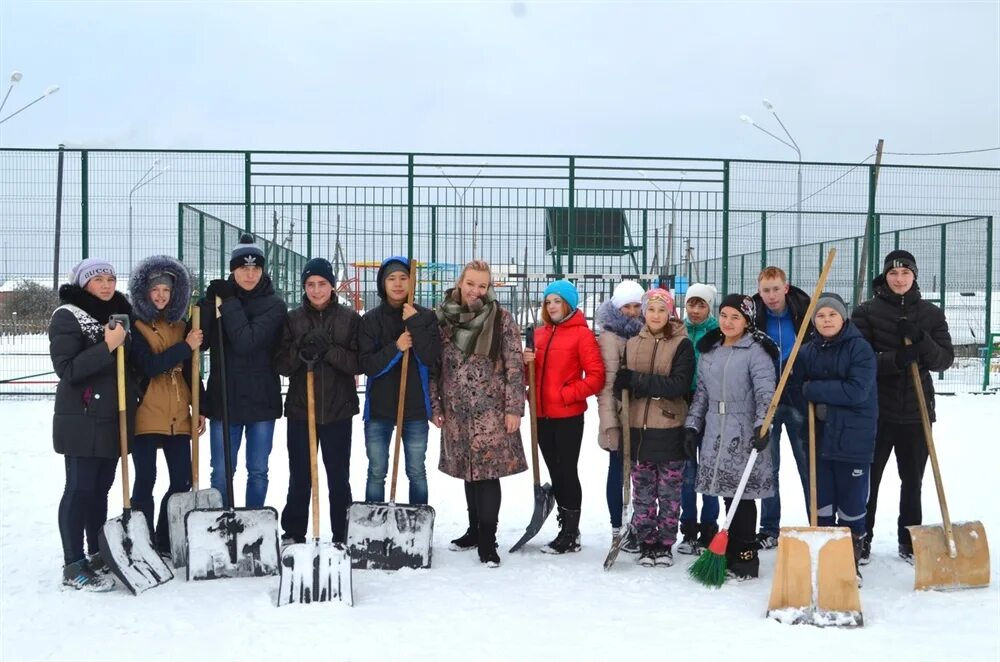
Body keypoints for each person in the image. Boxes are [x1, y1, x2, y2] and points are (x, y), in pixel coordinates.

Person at [851, 250, 954, 564]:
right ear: (885, 276)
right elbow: (860, 361)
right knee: (869, 479)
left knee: (913, 480)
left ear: (914, 276)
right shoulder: (866, 312)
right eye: (893, 274)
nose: (899, 279)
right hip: (876, 411)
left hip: (916, 410)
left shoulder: (930, 315)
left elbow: (944, 360)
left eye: (905, 273)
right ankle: (862, 537)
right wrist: (895, 360)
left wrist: (921, 339)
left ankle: (910, 539)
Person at [432, 260, 527, 567]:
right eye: (470, 283)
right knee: (468, 472)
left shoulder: (500, 319)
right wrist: (436, 405)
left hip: (492, 412)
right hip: (457, 411)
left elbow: (515, 366)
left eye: (482, 286)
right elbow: (434, 369)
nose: (475, 291)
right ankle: (473, 531)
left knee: (486, 475)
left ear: (489, 289)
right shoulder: (442, 318)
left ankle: (488, 540)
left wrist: (514, 408)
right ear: (461, 282)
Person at [50, 258, 133, 591]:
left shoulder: (118, 317)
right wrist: (108, 346)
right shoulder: (67, 316)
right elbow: (67, 369)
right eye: (97, 278)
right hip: (81, 419)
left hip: (111, 417)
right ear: (83, 283)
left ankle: (96, 552)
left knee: (100, 491)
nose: (106, 284)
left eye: (110, 278)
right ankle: (73, 564)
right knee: (79, 489)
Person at [684, 294, 777, 580]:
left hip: (744, 428)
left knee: (743, 496)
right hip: (714, 427)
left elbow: (765, 393)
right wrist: (692, 425)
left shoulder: (756, 351)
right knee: (726, 493)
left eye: (735, 317)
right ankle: (730, 549)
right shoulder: (710, 350)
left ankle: (745, 558)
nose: (727, 322)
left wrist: (763, 426)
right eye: (724, 315)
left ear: (747, 320)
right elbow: (701, 393)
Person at [274, 258, 361, 545]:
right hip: (302, 410)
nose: (316, 290)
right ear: (304, 287)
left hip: (338, 410)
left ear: (332, 286)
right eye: (310, 284)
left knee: (338, 478)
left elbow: (357, 363)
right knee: (300, 476)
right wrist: (302, 346)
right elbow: (282, 365)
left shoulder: (349, 319)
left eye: (322, 284)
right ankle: (294, 532)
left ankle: (341, 532)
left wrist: (329, 350)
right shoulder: (293, 319)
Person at [200, 233, 287, 508]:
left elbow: (246, 341)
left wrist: (228, 302)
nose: (250, 275)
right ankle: (222, 522)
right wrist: (206, 304)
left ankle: (253, 522)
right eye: (243, 269)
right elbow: (200, 342)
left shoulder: (274, 305)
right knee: (222, 471)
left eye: (256, 268)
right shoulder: (218, 301)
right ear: (232, 270)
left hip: (261, 399)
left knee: (258, 470)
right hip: (224, 399)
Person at [795, 292, 877, 582]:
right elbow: (796, 387)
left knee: (852, 506)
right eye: (820, 315)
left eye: (832, 314)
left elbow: (857, 391)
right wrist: (809, 391)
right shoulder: (806, 352)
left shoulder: (860, 349)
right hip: (819, 439)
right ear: (813, 321)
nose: (826, 320)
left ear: (843, 317)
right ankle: (824, 561)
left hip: (852, 440)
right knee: (822, 504)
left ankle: (849, 563)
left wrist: (814, 390)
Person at [128, 255, 204, 557]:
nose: (160, 296)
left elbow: (190, 370)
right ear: (145, 293)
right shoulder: (136, 326)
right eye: (155, 290)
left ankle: (161, 536)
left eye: (166, 291)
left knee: (181, 479)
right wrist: (186, 346)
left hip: (178, 411)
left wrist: (199, 407)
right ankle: (141, 537)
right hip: (147, 410)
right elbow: (148, 366)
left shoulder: (181, 324)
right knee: (146, 478)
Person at [613, 289, 694, 567]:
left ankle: (665, 543)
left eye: (662, 310)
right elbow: (623, 384)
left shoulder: (682, 344)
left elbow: (678, 385)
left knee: (670, 493)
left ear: (670, 313)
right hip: (638, 430)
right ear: (644, 313)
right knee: (643, 493)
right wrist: (621, 386)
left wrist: (636, 380)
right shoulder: (632, 343)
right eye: (651, 309)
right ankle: (647, 541)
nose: (656, 315)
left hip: (669, 428)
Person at [522, 279, 605, 554]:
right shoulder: (540, 334)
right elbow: (529, 377)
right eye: (548, 301)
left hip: (568, 416)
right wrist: (526, 367)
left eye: (557, 301)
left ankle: (571, 532)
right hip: (541, 416)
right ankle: (565, 524)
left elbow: (596, 377)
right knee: (555, 471)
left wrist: (567, 394)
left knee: (567, 471)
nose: (552, 306)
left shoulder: (582, 335)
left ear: (569, 303)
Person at [358, 256, 441, 505]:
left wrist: (414, 323)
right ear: (383, 284)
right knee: (376, 472)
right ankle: (374, 523)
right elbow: (368, 366)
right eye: (391, 279)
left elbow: (430, 358)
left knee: (416, 471)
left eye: (403, 278)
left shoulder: (425, 317)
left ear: (411, 281)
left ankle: (417, 522)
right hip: (379, 410)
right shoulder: (370, 320)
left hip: (415, 408)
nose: (397, 284)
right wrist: (397, 347)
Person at [752, 266, 812, 550]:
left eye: (776, 289)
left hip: (799, 396)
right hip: (767, 399)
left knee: (807, 464)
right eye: (766, 290)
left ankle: (817, 523)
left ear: (786, 288)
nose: (772, 296)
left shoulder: (804, 312)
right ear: (759, 291)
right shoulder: (755, 316)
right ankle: (769, 528)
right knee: (768, 467)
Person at [595, 280, 645, 552]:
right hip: (618, 414)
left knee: (641, 474)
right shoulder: (610, 337)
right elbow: (606, 386)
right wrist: (610, 423)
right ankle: (618, 524)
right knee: (617, 469)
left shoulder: (646, 333)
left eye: (637, 305)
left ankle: (637, 523)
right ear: (617, 307)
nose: (632, 311)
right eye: (627, 305)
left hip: (642, 414)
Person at [676, 282, 722, 555]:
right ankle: (688, 528)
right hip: (681, 404)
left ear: (709, 307)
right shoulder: (678, 330)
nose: (695, 310)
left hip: (710, 406)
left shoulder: (718, 332)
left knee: (709, 468)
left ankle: (709, 527)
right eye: (691, 303)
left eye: (701, 304)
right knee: (686, 471)